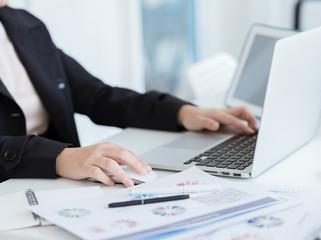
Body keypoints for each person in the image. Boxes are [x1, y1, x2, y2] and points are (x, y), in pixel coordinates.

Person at [0, 1, 257, 187]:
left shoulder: (23, 25)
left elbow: (96, 95)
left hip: (56, 184)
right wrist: (57, 156)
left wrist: (182, 112)